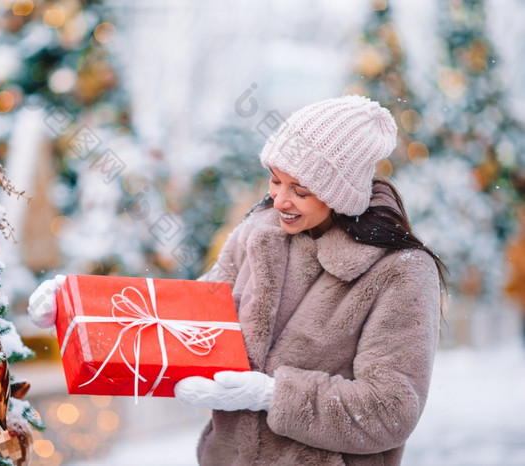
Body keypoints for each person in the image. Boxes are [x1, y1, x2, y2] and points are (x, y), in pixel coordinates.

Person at [172, 95, 446, 465]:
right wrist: (83, 311)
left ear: (340, 195)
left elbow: (390, 409)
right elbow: (192, 315)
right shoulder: (257, 233)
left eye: (300, 190)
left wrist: (272, 395)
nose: (280, 200)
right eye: (275, 181)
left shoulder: (401, 272)